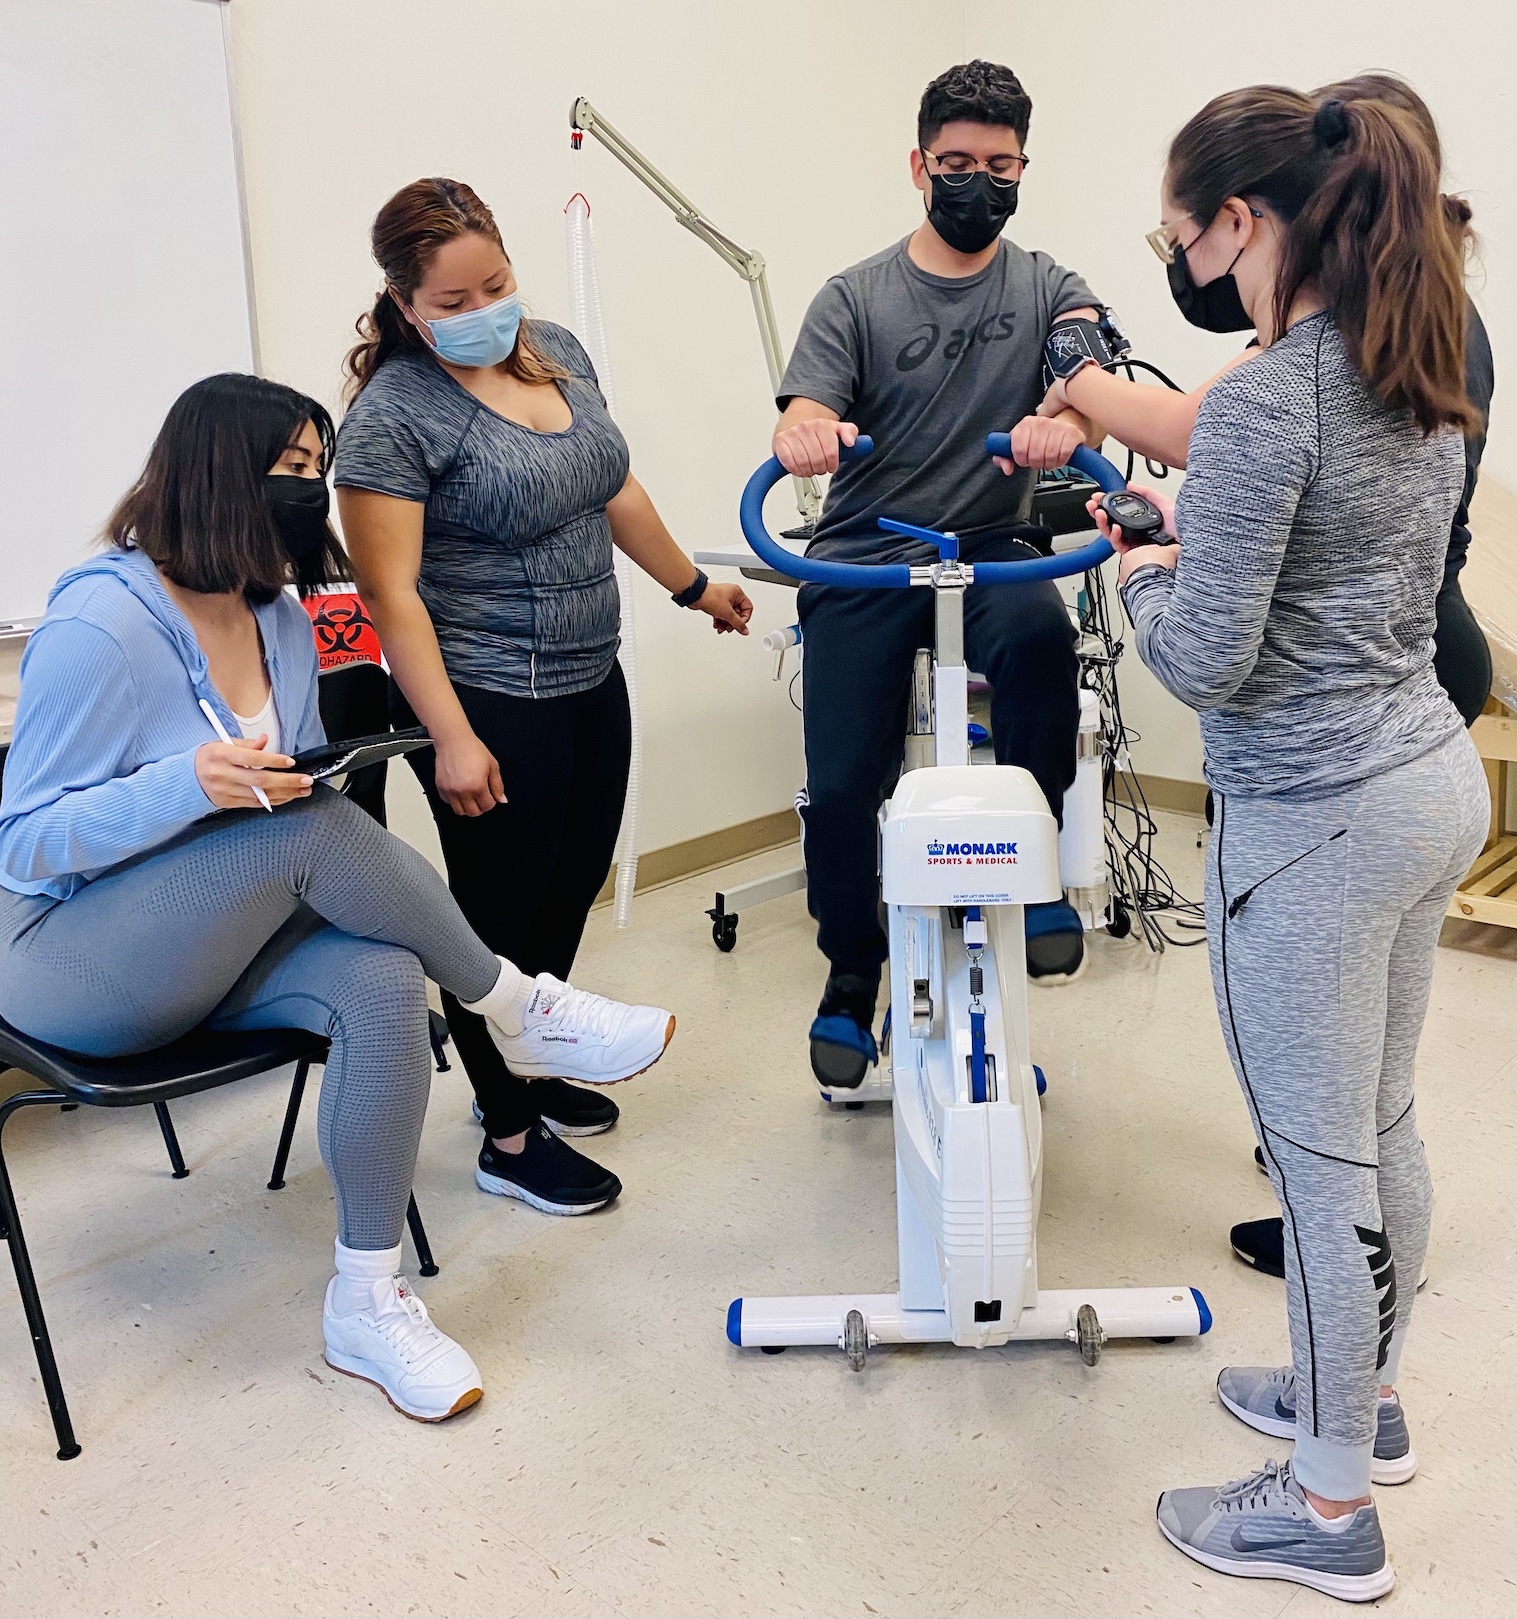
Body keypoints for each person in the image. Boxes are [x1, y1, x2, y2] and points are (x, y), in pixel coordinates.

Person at [0, 375, 674, 1423]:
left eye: (317, 469)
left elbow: (290, 797)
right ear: (215, 472)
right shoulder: (102, 625)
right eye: (295, 470)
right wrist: (185, 784)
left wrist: (263, 795)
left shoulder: (278, 615)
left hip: (207, 939)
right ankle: (515, 1007)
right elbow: (25, 841)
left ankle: (366, 1299)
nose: (314, 492)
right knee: (301, 825)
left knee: (378, 967)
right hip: (67, 961)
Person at [1093, 87, 1489, 1597]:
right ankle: (1363, 1402)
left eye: (1184, 236)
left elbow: (1205, 663)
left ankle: (1324, 1510)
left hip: (1315, 818)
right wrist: (1193, 532)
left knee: (1320, 1169)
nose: (1186, 260)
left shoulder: (1268, 397)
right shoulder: (1417, 361)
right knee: (1379, 1127)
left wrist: (1137, 565)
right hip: (1423, 775)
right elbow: (1341, 569)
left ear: (1242, 224)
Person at [335, 179, 750, 1218]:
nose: (485, 306)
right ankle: (507, 1135)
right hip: (483, 696)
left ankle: (530, 1056)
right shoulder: (392, 416)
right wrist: (452, 738)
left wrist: (690, 584)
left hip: (587, 672)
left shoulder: (556, 345)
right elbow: (391, 595)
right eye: (453, 296)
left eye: (497, 280)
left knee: (566, 888)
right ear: (402, 301)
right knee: (491, 922)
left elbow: (613, 484)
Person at [771, 60, 1107, 1093]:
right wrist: (806, 431)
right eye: (955, 163)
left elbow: (1087, 378)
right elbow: (796, 412)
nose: (977, 182)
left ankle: (1037, 870)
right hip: (865, 553)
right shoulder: (852, 295)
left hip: (989, 545)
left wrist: (1070, 422)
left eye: (998, 166)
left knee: (1045, 640)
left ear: (1021, 169)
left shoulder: (1048, 282)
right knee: (838, 784)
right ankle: (847, 968)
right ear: (917, 166)